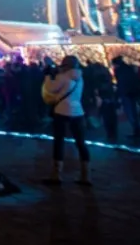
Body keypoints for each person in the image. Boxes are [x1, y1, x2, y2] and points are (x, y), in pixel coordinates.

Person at [42, 55, 90, 186]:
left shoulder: (63, 77)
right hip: (78, 111)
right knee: (81, 143)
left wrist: (47, 77)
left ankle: (56, 174)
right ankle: (85, 175)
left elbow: (50, 89)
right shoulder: (80, 78)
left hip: (62, 110)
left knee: (59, 141)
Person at [112, 56, 140, 139]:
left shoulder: (120, 71)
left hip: (126, 94)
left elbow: (121, 84)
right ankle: (137, 130)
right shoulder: (129, 69)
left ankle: (136, 130)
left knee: (130, 112)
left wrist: (117, 96)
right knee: (133, 112)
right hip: (132, 93)